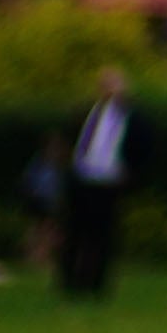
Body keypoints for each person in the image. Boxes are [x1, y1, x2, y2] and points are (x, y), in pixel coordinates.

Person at [54, 65, 134, 300]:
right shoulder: (86, 111)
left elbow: (139, 148)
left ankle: (96, 284)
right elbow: (69, 138)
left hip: (108, 182)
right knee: (74, 231)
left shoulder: (128, 117)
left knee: (102, 235)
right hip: (81, 179)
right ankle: (69, 281)